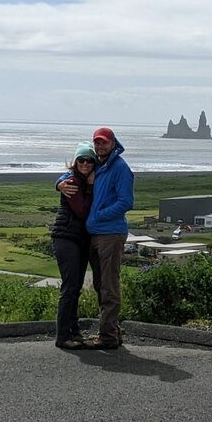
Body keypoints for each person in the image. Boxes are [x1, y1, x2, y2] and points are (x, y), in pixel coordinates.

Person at [58, 126, 133, 349]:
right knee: (102, 284)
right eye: (97, 142)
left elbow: (126, 202)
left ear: (113, 144)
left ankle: (108, 336)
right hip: (96, 235)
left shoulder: (119, 167)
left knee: (108, 286)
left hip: (110, 233)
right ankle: (112, 332)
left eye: (104, 142)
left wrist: (98, 216)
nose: (100, 146)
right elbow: (75, 172)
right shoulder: (99, 164)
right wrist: (59, 182)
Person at [50, 142, 97, 349]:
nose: (85, 163)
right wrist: (90, 186)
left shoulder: (84, 179)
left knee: (75, 287)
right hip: (66, 237)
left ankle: (74, 330)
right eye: (81, 160)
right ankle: (62, 336)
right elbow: (81, 210)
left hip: (80, 239)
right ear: (75, 162)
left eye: (89, 160)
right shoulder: (71, 181)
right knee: (69, 287)